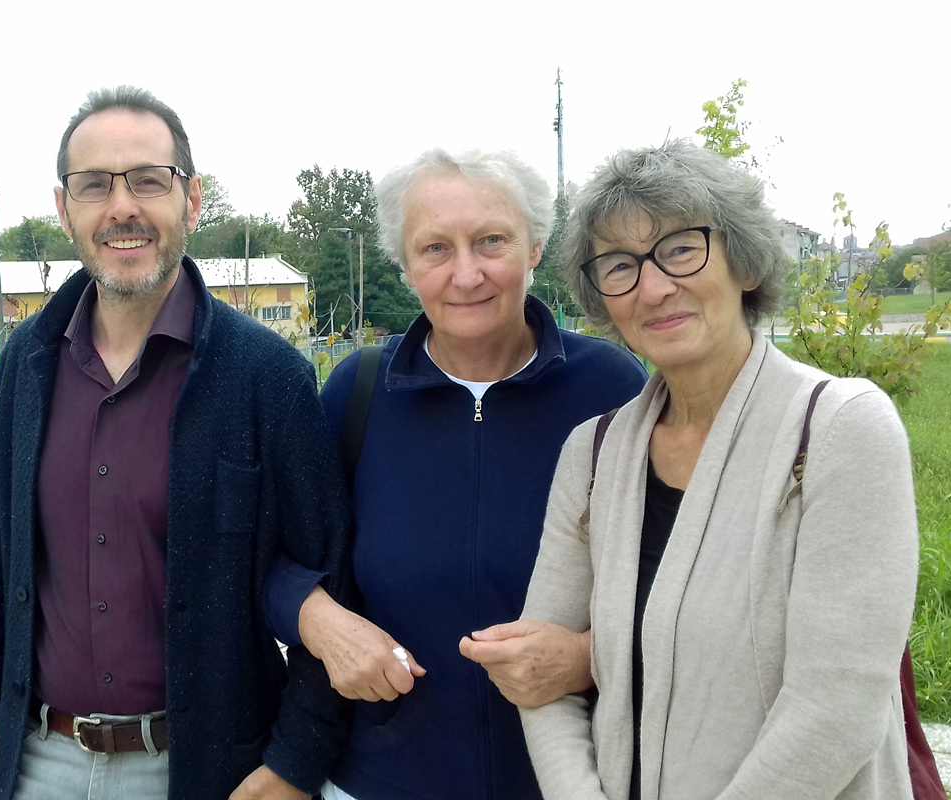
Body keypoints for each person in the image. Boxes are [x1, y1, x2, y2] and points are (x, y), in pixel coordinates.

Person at [0, 86, 351, 800]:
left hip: (200, 769)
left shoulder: (266, 377)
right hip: (39, 760)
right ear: (65, 209)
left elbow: (331, 578)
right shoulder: (27, 364)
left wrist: (296, 761)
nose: (121, 206)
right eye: (94, 184)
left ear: (191, 201)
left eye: (148, 181)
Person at [519, 140, 918, 799]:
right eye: (619, 264)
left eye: (680, 248)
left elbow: (836, 707)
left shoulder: (840, 430)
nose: (653, 286)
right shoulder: (592, 456)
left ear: (745, 262)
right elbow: (542, 677)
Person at [265, 149, 648, 800]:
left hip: (573, 782)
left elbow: (677, 579)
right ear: (406, 264)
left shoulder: (612, 390)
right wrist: (317, 619)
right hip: (380, 782)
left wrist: (587, 657)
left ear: (534, 246)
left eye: (490, 241)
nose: (466, 273)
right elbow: (271, 556)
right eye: (435, 248)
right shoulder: (355, 395)